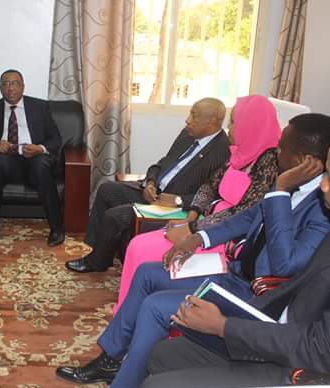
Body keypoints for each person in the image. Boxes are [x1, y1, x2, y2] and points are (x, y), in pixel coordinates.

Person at [57, 113, 330, 388]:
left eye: (282, 147)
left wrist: (279, 192)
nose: (276, 151)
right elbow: (247, 218)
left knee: (156, 307)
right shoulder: (289, 185)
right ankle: (112, 359)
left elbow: (285, 264)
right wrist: (197, 238)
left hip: (258, 297)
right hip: (235, 276)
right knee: (148, 273)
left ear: (305, 160)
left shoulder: (324, 207)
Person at [138, 121, 330, 388]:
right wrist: (236, 315)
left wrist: (225, 326)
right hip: (275, 333)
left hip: (301, 371)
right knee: (164, 354)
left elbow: (324, 348)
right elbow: (298, 286)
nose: (323, 186)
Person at [114, 94, 281, 313]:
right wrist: (192, 216)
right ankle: (126, 313)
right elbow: (209, 186)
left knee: (146, 252)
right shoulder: (239, 153)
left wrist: (194, 229)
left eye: (234, 122)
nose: (230, 128)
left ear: (252, 125)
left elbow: (243, 213)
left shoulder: (269, 163)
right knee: (137, 244)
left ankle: (141, 313)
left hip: (225, 237)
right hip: (204, 223)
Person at [66, 98, 231, 273]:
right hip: (156, 194)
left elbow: (213, 194)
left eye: (194, 116)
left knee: (115, 216)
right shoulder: (187, 135)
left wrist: (178, 200)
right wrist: (150, 183)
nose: (187, 120)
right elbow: (161, 164)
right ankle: (99, 251)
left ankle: (96, 262)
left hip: (174, 208)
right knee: (107, 189)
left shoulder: (222, 151)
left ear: (211, 121)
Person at [0, 69, 64, 246]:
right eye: (5, 84)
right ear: (0, 88)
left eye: (15, 83)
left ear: (23, 87)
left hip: (34, 158)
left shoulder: (40, 107)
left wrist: (39, 148)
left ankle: (57, 228)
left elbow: (55, 139)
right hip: (7, 161)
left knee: (41, 165)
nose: (10, 88)